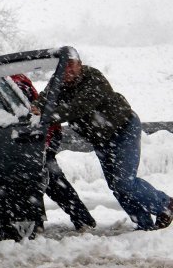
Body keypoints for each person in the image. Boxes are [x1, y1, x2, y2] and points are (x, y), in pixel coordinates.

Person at [34, 51, 173, 230]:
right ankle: (144, 225)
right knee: (116, 186)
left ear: (80, 64)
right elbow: (44, 98)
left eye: (71, 65)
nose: (67, 70)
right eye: (63, 66)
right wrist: (36, 107)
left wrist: (46, 117)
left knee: (124, 182)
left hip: (123, 129)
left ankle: (165, 204)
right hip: (100, 139)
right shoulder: (57, 82)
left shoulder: (94, 78)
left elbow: (78, 107)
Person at [11, 74, 96, 230]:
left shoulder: (16, 84)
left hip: (42, 137)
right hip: (35, 137)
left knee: (48, 177)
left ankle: (81, 220)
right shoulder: (5, 81)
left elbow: (28, 112)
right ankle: (40, 222)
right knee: (40, 177)